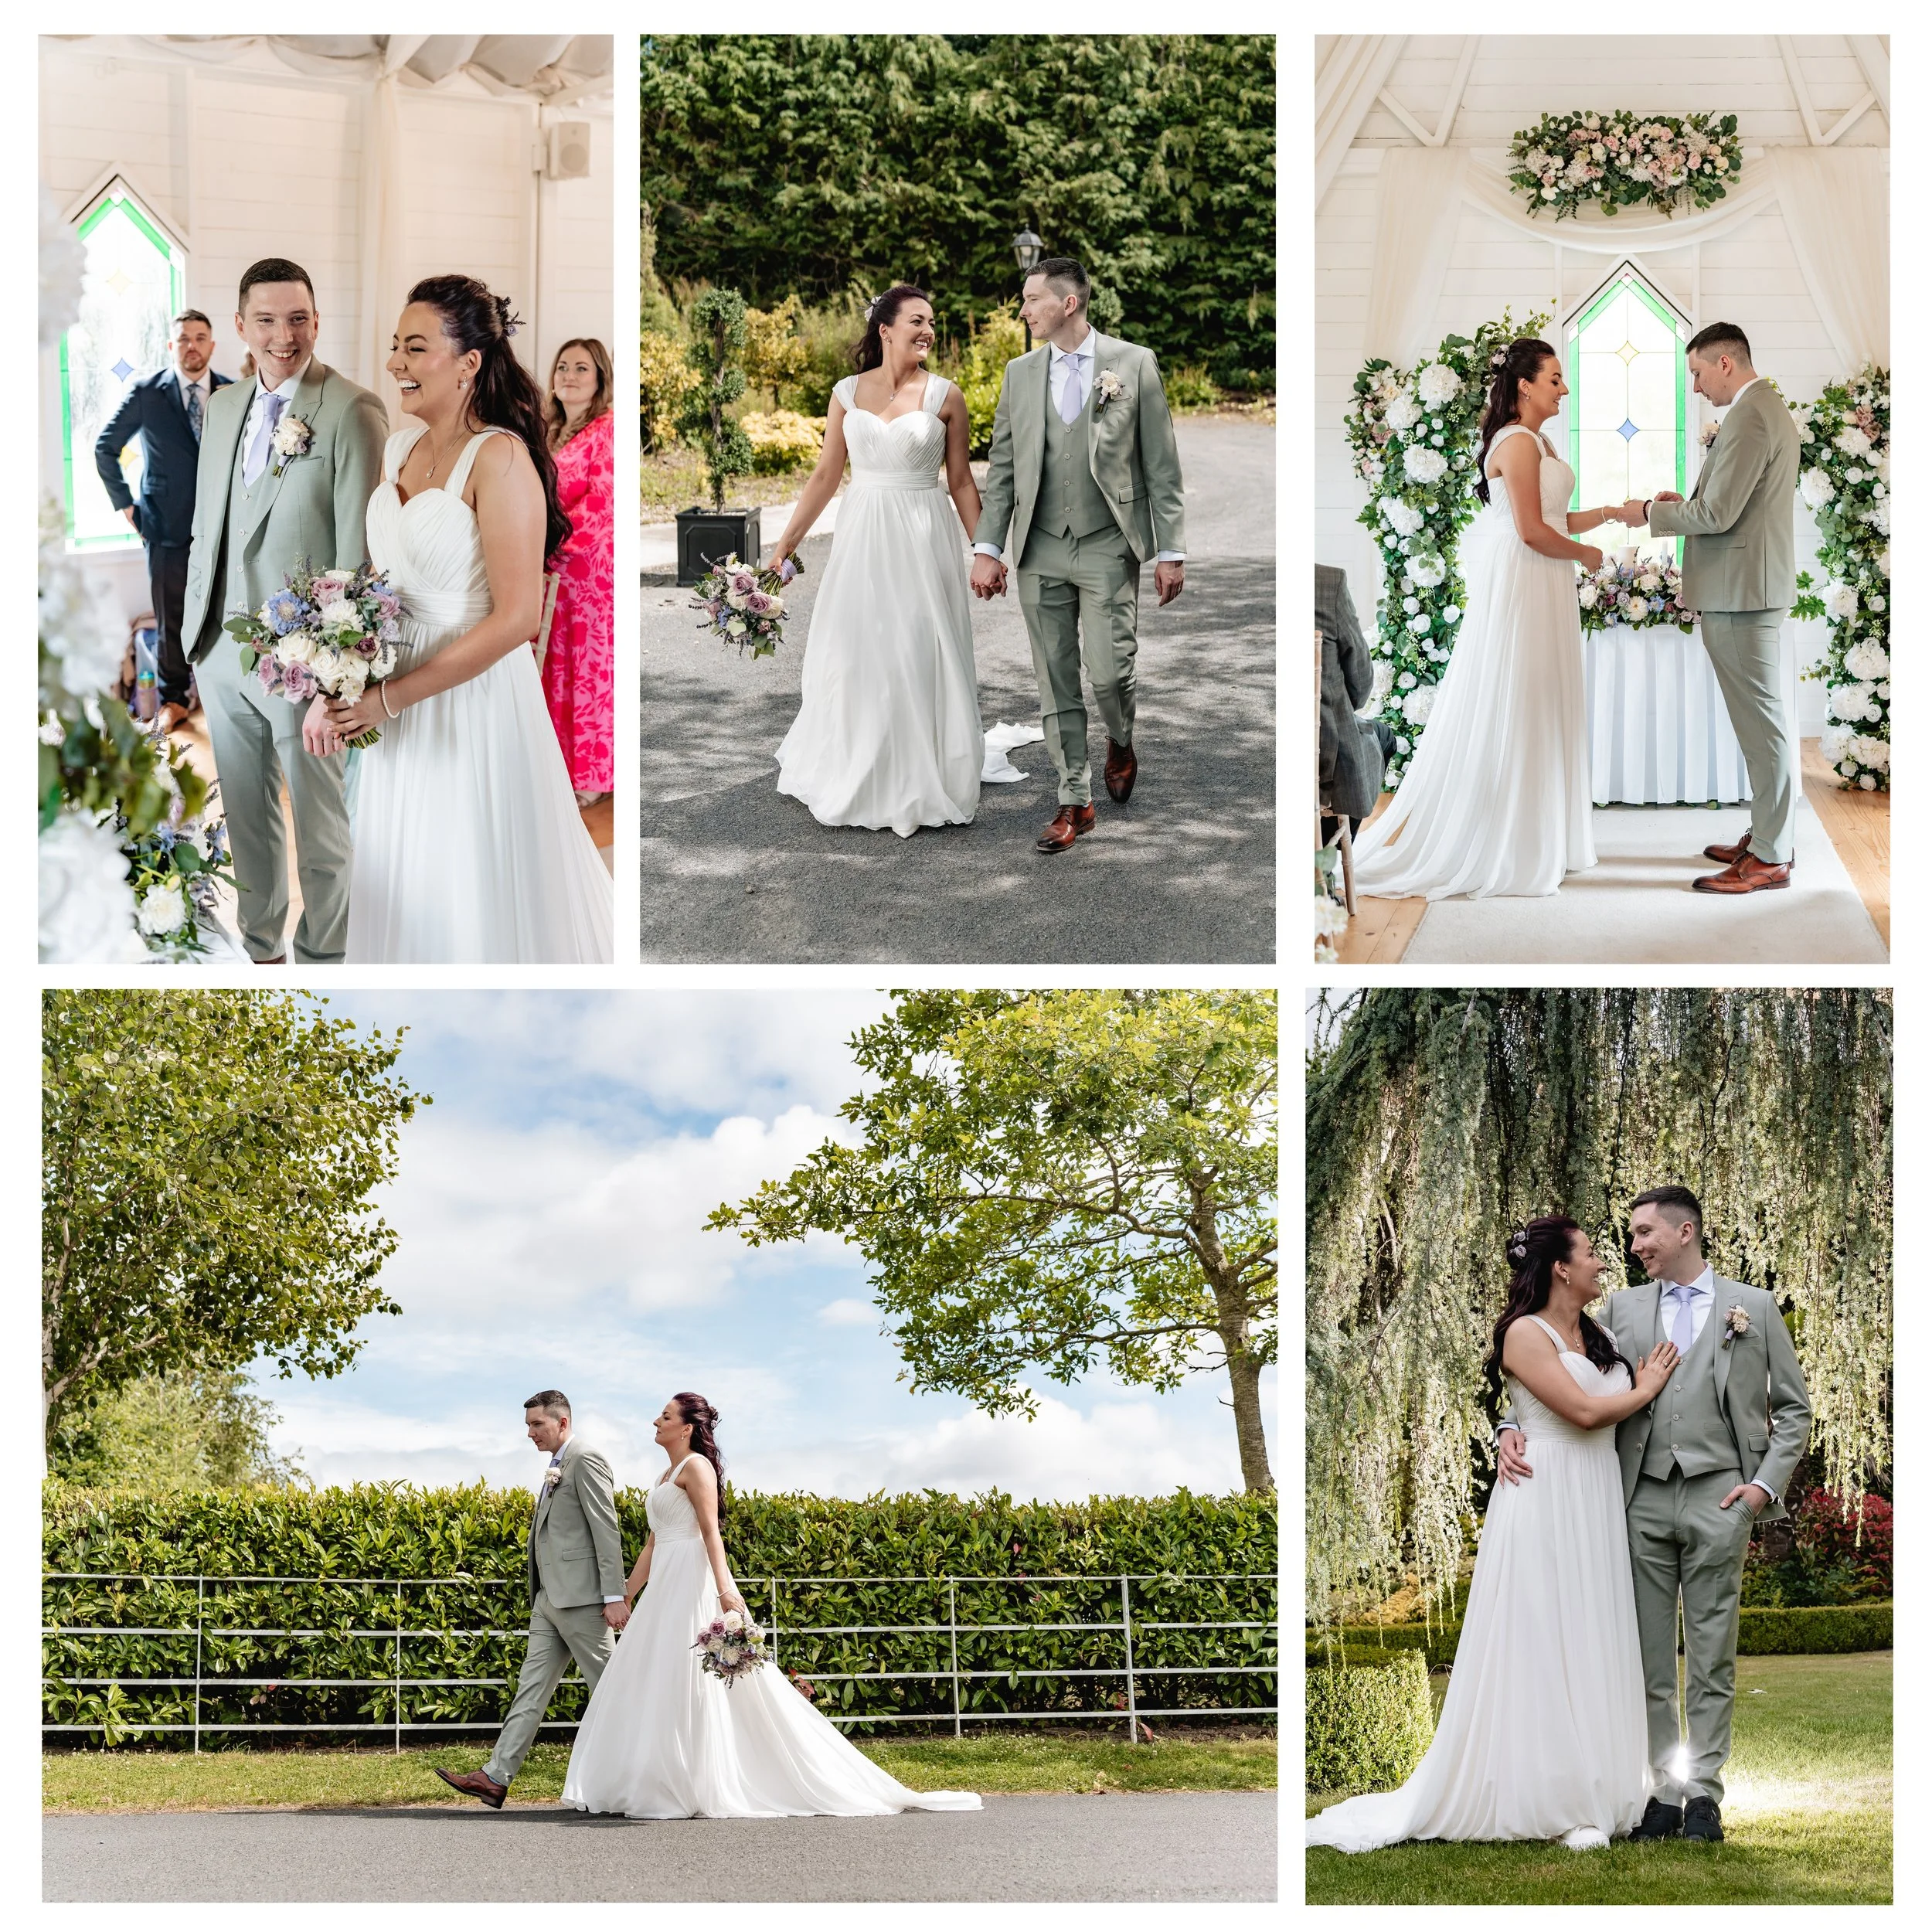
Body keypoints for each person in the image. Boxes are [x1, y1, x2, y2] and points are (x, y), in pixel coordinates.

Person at [1308, 1216, 1675, 1852]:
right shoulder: (1521, 1334)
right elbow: (1584, 1412)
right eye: (1589, 1252)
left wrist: (1510, 1422)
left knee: (1591, 1634)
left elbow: (1551, 1405)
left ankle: (1602, 1789)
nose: (1601, 1261)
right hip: (1545, 1493)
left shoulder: (1602, 1332)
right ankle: (1551, 1800)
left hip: (1594, 1496)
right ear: (1561, 1268)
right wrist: (1644, 1389)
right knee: (1542, 1636)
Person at [1497, 1187, 1812, 1843]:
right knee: (1644, 1657)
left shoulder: (1751, 1308)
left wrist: (1759, 1491)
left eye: (1644, 1234)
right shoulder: (1620, 1310)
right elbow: (1552, 1371)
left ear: (1685, 1232)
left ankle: (1704, 1795)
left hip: (1720, 1497)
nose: (1633, 1247)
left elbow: (1794, 1412)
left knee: (1710, 1656)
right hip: (1636, 1500)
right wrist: (1508, 1424)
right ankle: (1661, 1794)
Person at [317, 275, 614, 962]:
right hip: (393, 704)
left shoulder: (502, 457)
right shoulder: (398, 450)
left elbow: (515, 620)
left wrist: (388, 698)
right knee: (408, 874)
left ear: (468, 362)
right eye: (396, 347)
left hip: (471, 703)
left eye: (414, 348)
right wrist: (332, 675)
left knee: (472, 879)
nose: (395, 363)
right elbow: (380, 588)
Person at [561, 1393, 981, 1818]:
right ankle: (660, 1777)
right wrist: (629, 1591)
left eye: (665, 1416)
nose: (656, 1421)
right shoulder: (664, 1475)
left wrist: (726, 1592)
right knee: (658, 1674)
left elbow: (711, 1534)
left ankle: (702, 1779)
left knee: (692, 1677)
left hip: (691, 1580)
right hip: (665, 1582)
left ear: (686, 1427)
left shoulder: (697, 1468)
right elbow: (653, 1541)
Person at [1349, 338, 1627, 900]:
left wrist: (1612, 514)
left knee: (1543, 697)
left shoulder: (1539, 442)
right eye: (1554, 379)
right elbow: (1529, 530)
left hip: (1542, 572)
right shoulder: (1518, 442)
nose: (1564, 389)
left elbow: (1556, 517)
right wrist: (1585, 556)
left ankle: (1542, 834)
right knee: (1521, 697)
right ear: (1524, 385)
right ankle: (1511, 842)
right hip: (1527, 573)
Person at [179, 258, 387, 965]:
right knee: (247, 819)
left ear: (316, 321)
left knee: (322, 829)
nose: (283, 335)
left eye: (298, 318)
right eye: (266, 320)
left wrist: (337, 680)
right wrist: (195, 633)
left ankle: (325, 961)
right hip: (217, 649)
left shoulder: (352, 410)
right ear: (241, 326)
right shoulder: (225, 406)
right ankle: (260, 952)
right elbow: (210, 523)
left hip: (304, 664)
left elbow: (358, 561)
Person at [971, 257, 1186, 855]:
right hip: (1040, 547)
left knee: (1112, 672)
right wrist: (988, 548)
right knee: (1055, 680)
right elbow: (1005, 470)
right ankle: (1075, 801)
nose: (1023, 310)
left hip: (1107, 544)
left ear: (1069, 303)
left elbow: (1161, 466)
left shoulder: (1133, 364)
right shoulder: (1019, 373)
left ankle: (1121, 737)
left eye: (1031, 299)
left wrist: (1170, 551)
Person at [767, 284, 987, 837]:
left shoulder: (946, 395)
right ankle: (861, 763)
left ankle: (919, 771)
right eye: (917, 321)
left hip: (921, 532)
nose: (928, 331)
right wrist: (787, 542)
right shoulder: (845, 392)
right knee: (861, 647)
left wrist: (986, 550)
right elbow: (825, 475)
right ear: (885, 328)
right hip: (863, 534)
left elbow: (960, 481)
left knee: (916, 646)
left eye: (932, 322)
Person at [1610, 324, 1804, 894]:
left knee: (1762, 726)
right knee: (1758, 724)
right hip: (1743, 586)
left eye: (1695, 372)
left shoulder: (1752, 415)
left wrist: (1648, 511)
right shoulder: (1759, 410)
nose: (1694, 386)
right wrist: (1684, 504)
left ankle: (1770, 856)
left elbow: (1719, 517)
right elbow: (1728, 505)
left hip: (1743, 592)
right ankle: (1770, 834)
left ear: (1725, 362)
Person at [434, 1392, 628, 1810]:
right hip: (547, 1599)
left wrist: (615, 1595)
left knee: (612, 1690)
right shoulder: (557, 1466)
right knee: (530, 1690)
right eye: (528, 1425)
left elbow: (606, 1531)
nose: (530, 1433)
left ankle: (642, 1772)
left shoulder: (587, 1459)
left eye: (537, 1424)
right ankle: (494, 1777)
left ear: (562, 1422)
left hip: (583, 1602)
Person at [94, 310, 233, 732]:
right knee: (170, 617)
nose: (193, 345)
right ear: (171, 347)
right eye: (184, 339)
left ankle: (225, 694)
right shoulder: (146, 393)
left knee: (225, 612)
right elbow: (105, 448)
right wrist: (128, 507)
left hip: (222, 528)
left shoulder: (233, 392)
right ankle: (175, 700)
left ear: (212, 345)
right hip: (163, 526)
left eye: (201, 337)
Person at [542, 337, 614, 805]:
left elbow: (602, 504)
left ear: (600, 379)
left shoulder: (607, 429)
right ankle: (555, 768)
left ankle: (590, 776)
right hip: (547, 570)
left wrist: (552, 545)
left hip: (587, 575)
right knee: (553, 668)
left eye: (581, 369)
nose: (569, 375)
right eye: (563, 366)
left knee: (586, 673)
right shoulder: (545, 431)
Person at [1316, 563, 1388, 832]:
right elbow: (1360, 679)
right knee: (1384, 738)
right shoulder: (1328, 581)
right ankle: (1322, 858)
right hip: (1324, 749)